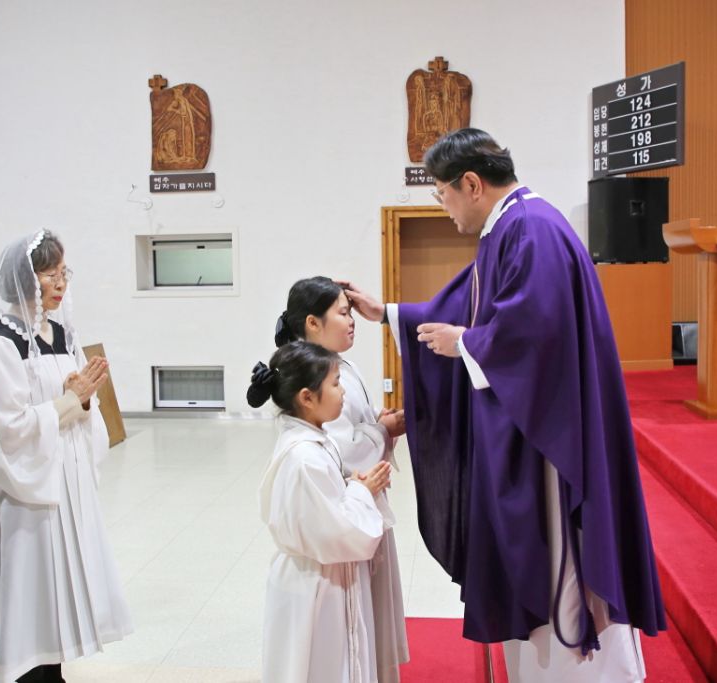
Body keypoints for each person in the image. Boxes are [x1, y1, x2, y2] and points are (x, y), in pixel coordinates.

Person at [342, 128, 665, 682]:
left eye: (442, 194)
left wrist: (466, 343)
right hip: (534, 423)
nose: (443, 208)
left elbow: (535, 330)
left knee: (556, 552)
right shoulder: (510, 226)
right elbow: (470, 305)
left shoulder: (531, 228)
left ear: (471, 183)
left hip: (551, 436)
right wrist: (389, 313)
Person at [0, 230, 132, 683]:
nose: (60, 284)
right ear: (24, 279)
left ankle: (53, 671)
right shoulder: (0, 343)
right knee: (30, 599)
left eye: (64, 273)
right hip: (28, 491)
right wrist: (68, 401)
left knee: (56, 601)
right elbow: (8, 428)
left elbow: (79, 406)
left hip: (65, 480)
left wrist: (84, 400)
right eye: (49, 274)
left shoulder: (62, 335)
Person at [274, 276, 409, 682]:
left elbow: (350, 433)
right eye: (344, 313)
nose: (352, 322)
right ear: (313, 323)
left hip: (357, 509)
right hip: (340, 529)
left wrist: (376, 424)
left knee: (365, 625)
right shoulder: (309, 377)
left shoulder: (339, 366)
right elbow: (341, 453)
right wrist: (381, 431)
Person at [249, 340, 393, 683]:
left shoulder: (312, 439)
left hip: (319, 573)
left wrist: (350, 485)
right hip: (316, 583)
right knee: (321, 666)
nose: (342, 392)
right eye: (335, 384)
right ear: (307, 397)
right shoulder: (305, 457)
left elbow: (326, 507)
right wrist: (363, 491)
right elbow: (341, 532)